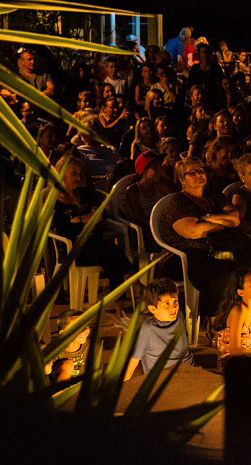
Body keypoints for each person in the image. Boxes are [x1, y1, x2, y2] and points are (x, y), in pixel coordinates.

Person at [153, 157, 251, 316]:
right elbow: (192, 231)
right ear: (182, 179)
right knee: (218, 274)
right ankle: (215, 319)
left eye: (200, 170)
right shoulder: (178, 201)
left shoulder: (214, 196)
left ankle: (247, 315)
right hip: (189, 252)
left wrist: (208, 218)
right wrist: (223, 222)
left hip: (221, 245)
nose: (198, 174)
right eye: (192, 173)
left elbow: (235, 218)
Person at [51, 156, 133, 325]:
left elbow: (102, 214)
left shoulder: (86, 194)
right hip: (74, 248)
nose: (79, 178)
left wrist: (82, 219)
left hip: (97, 244)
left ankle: (120, 314)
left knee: (113, 263)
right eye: (74, 174)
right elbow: (65, 229)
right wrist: (89, 218)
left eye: (80, 174)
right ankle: (134, 277)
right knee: (113, 252)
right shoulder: (54, 202)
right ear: (62, 175)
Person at [124, 278, 193, 380]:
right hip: (162, 377)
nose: (173, 307)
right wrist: (124, 384)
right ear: (152, 309)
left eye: (175, 301)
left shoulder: (180, 316)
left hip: (187, 369)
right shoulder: (147, 329)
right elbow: (135, 359)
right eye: (167, 303)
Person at [47, 310, 91, 382]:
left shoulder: (90, 345)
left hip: (83, 389)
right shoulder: (54, 351)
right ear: (63, 333)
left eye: (85, 326)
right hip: (61, 389)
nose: (84, 331)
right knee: (68, 365)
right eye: (77, 328)